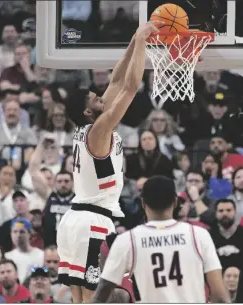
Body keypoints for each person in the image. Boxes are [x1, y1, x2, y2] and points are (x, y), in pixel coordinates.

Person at [56, 21, 161, 304]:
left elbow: (116, 80)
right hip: (90, 222)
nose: (101, 96)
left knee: (79, 298)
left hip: (76, 220)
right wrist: (141, 42)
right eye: (95, 98)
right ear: (88, 110)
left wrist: (133, 41)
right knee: (91, 299)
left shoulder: (87, 127)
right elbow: (129, 88)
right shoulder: (100, 130)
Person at [92, 176, 230, 303]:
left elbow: (102, 292)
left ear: (143, 203)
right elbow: (220, 296)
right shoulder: (199, 235)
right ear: (175, 202)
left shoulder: (127, 240)